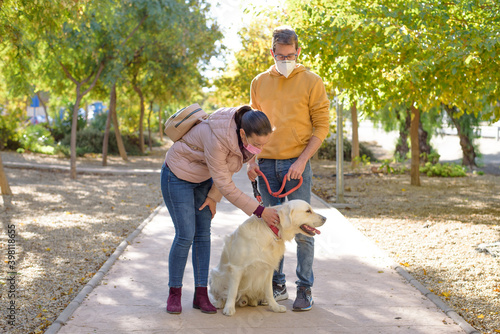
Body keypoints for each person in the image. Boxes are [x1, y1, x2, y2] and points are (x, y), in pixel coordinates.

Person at [161, 105, 280, 314]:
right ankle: (175, 293)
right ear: (243, 133)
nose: (259, 149)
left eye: (264, 144)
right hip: (177, 175)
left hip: (205, 179)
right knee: (186, 234)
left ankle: (200, 294)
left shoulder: (243, 131)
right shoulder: (218, 137)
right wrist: (260, 211)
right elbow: (225, 182)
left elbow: (226, 170)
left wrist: (213, 196)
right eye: (256, 144)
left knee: (203, 235)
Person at [247, 25, 330, 311]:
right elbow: (251, 127)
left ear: (298, 52)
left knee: (304, 229)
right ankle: (276, 284)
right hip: (266, 165)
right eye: (280, 56)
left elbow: (322, 124)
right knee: (273, 228)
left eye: (290, 55)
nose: (285, 60)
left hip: (297, 165)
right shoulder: (259, 82)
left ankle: (304, 288)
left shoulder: (312, 81)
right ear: (272, 52)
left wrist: (302, 160)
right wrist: (251, 161)